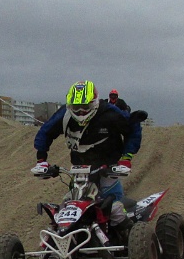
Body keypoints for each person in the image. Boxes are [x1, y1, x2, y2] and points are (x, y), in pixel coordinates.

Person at [31, 80, 142, 238]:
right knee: (68, 207)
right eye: (77, 108)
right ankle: (63, 241)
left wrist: (127, 157)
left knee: (115, 209)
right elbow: (45, 132)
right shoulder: (65, 114)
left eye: (85, 107)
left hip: (108, 169)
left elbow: (133, 127)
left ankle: (134, 240)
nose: (81, 112)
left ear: (94, 103)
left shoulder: (109, 113)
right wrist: (41, 159)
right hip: (80, 171)